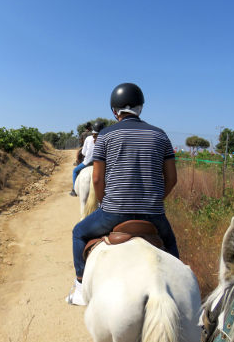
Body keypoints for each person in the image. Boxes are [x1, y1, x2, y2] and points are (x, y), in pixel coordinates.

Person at [66, 82, 179, 306]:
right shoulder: (161, 136)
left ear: (114, 110)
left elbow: (97, 179)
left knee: (78, 233)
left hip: (113, 212)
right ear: (141, 107)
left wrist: (103, 203)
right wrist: (155, 201)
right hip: (153, 214)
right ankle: (177, 290)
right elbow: (172, 179)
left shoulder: (105, 136)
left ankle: (80, 287)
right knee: (172, 246)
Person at [69, 121, 105, 196]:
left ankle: (74, 190)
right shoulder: (105, 138)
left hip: (88, 160)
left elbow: (83, 152)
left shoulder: (85, 135)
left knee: (75, 171)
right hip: (100, 162)